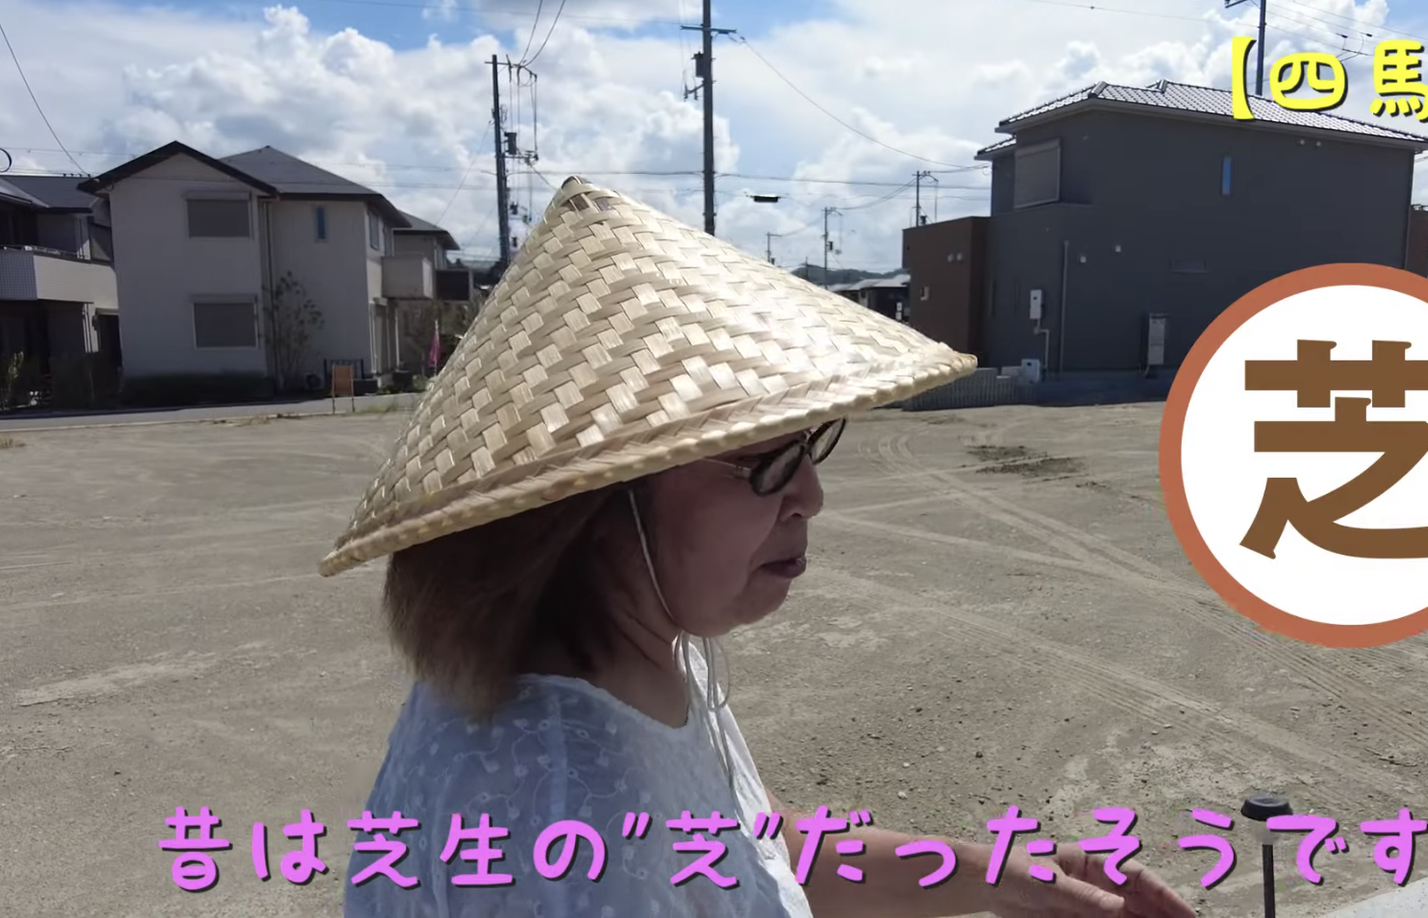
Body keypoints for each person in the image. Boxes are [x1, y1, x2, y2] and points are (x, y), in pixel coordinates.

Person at [324, 177, 1197, 918]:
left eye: (810, 447)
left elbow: (761, 845)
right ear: (596, 506)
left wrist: (1011, 878)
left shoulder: (632, 651)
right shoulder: (568, 822)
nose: (810, 495)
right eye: (767, 461)